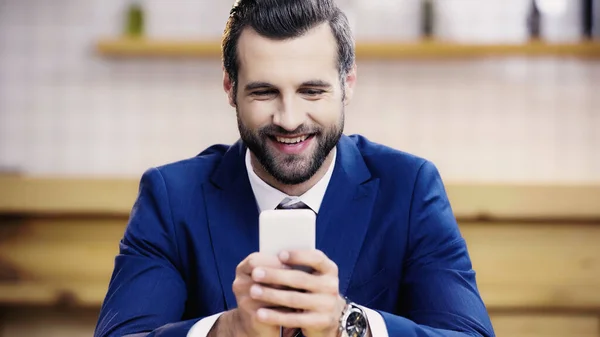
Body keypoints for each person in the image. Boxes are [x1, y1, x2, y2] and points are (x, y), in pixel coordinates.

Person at [94, 0, 495, 336]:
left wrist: (348, 324)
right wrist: (227, 331)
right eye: (265, 91)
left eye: (312, 91)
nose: (289, 119)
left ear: (348, 84)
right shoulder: (171, 197)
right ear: (230, 89)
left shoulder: (409, 189)